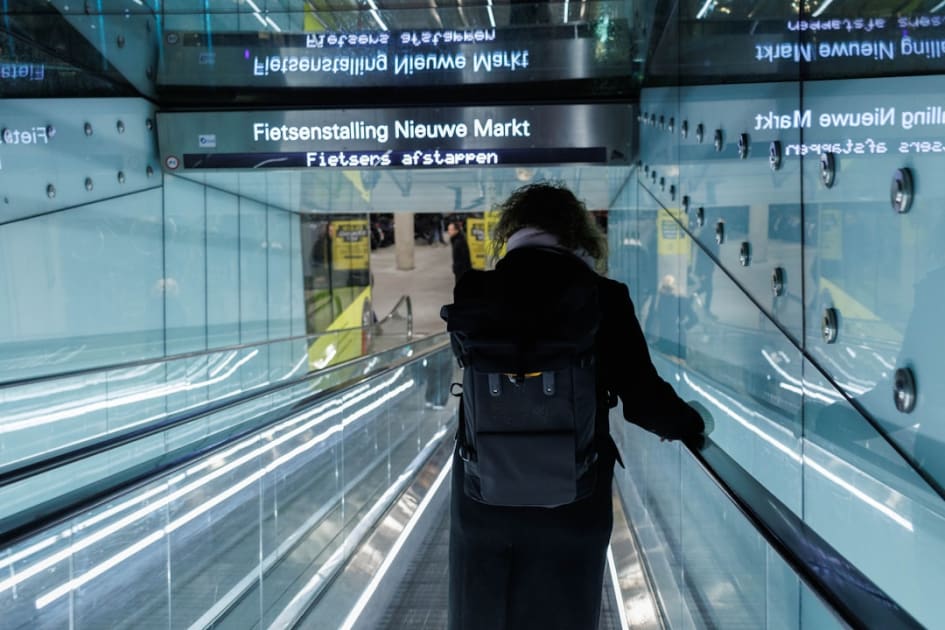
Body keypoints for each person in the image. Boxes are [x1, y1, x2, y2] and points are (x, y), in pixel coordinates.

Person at [447, 183, 708, 630]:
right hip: (574, 498)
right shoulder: (604, 297)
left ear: (511, 230)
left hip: (483, 496)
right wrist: (693, 423)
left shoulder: (478, 293)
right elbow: (645, 402)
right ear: (576, 234)